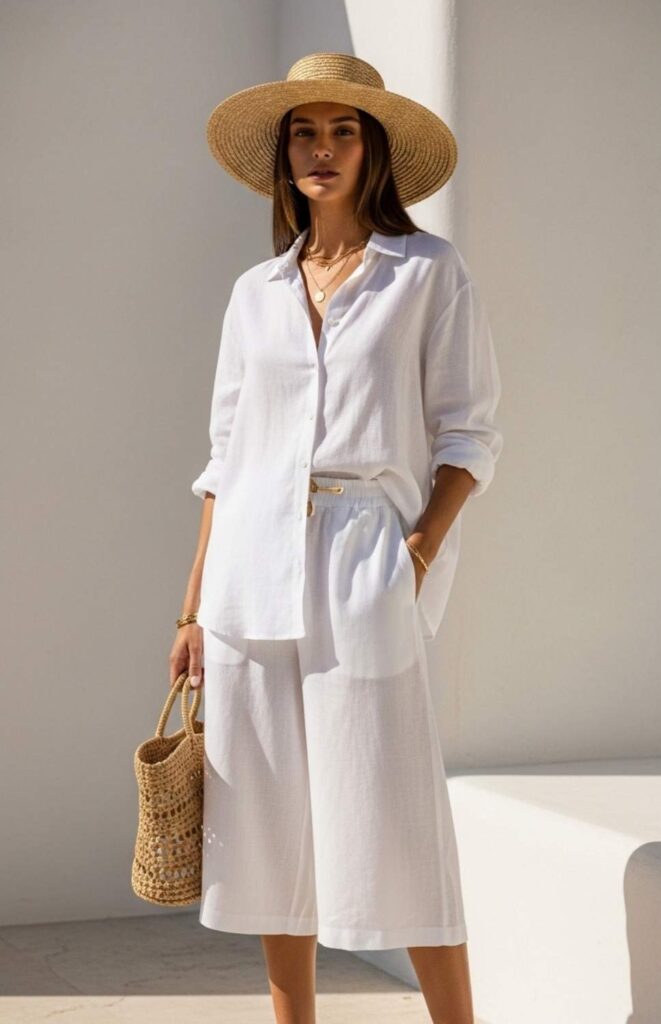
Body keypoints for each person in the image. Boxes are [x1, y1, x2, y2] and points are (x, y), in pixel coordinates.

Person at [169, 52, 502, 1024]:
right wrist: (190, 611)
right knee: (268, 831)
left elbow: (468, 432)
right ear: (283, 155)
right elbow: (224, 459)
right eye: (304, 134)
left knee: (395, 816)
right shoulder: (254, 292)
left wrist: (415, 551)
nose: (320, 149)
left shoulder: (426, 274)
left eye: (341, 132)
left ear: (373, 151)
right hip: (248, 571)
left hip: (366, 552)